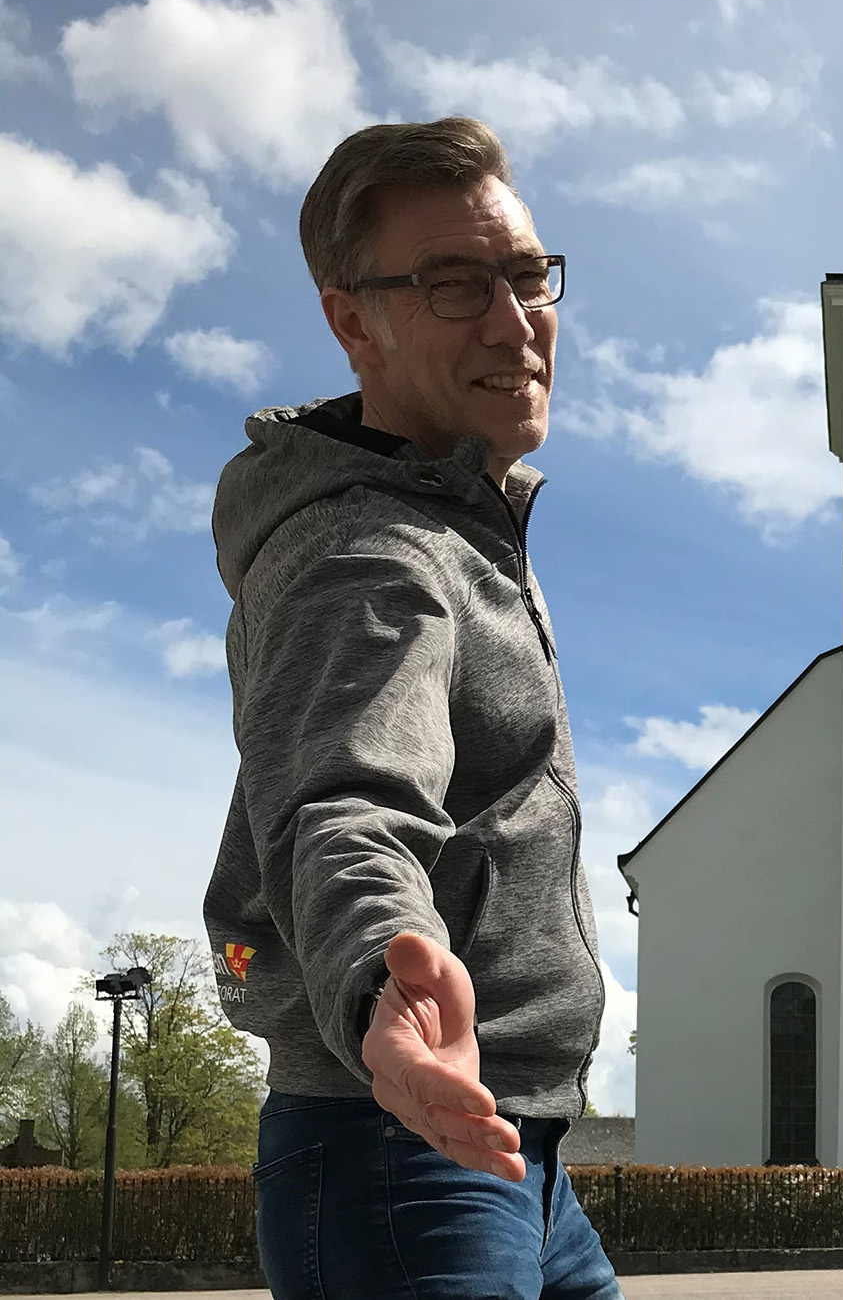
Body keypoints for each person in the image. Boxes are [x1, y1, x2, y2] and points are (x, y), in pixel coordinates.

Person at [203, 117, 618, 1299]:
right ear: (353, 322)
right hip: (402, 1152)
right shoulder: (372, 553)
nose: (513, 320)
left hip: (505, 1148)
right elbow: (346, 800)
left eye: (527, 275)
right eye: (454, 285)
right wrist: (388, 983)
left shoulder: (452, 526)